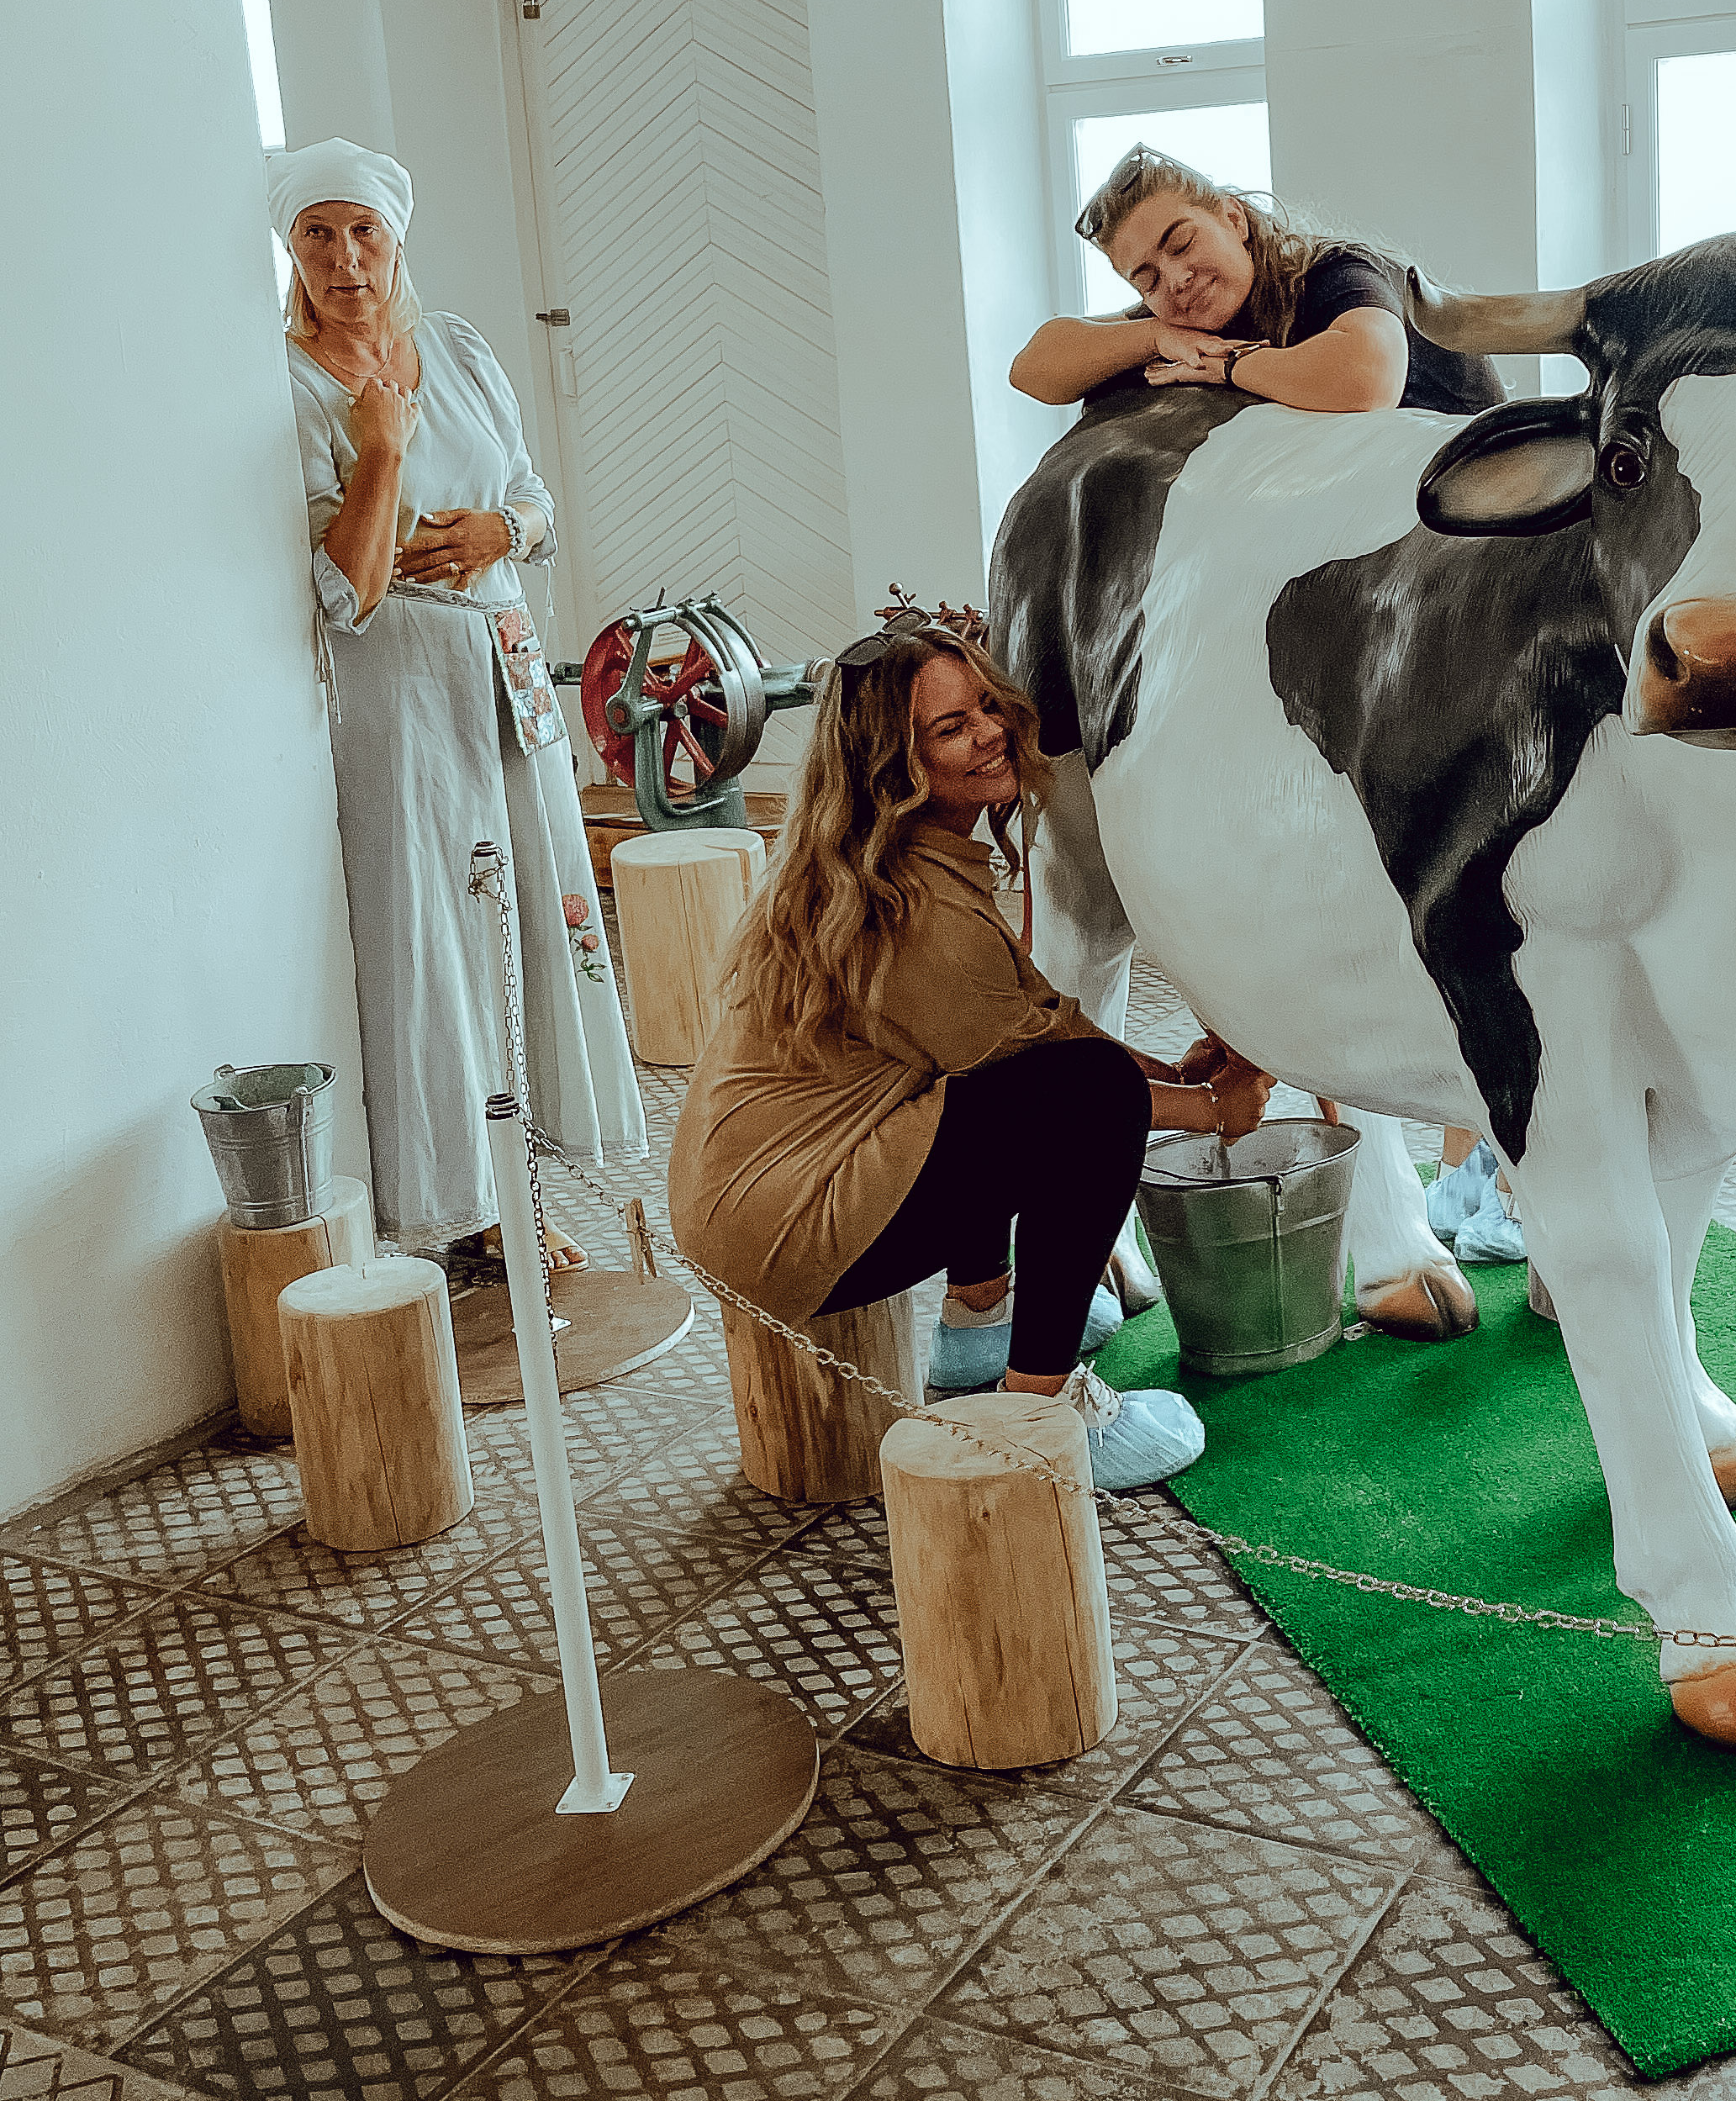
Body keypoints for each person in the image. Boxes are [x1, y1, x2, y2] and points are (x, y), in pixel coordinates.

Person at [668, 613, 1262, 1488]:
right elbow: (1065, 1091)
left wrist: (1171, 1071)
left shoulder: (892, 856)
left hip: (751, 1193)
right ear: (892, 764)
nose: (990, 732)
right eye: (951, 727)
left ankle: (979, 1328)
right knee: (1083, 1103)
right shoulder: (914, 908)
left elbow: (1034, 1019)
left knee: (1034, 1082)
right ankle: (1043, 1417)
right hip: (784, 1221)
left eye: (987, 704)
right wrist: (1217, 1113)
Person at [277, 139, 645, 1260]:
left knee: (535, 918)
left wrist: (503, 533)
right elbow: (345, 591)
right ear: (290, 249)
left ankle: (526, 1195)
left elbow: (535, 503)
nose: (347, 258)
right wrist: (379, 453)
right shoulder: (285, 382)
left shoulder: (462, 349)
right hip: (401, 690)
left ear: (397, 239)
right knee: (439, 939)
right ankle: (462, 1213)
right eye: (318, 234)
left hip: (510, 664)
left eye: (365, 231)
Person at [1009, 146, 1503, 418]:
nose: (1177, 279)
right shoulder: (1179, 317)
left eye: (1181, 245)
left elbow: (1365, 381)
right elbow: (1033, 370)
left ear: (1233, 220)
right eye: (1148, 279)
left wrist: (1228, 365)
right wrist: (1154, 335)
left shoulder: (1339, 273)